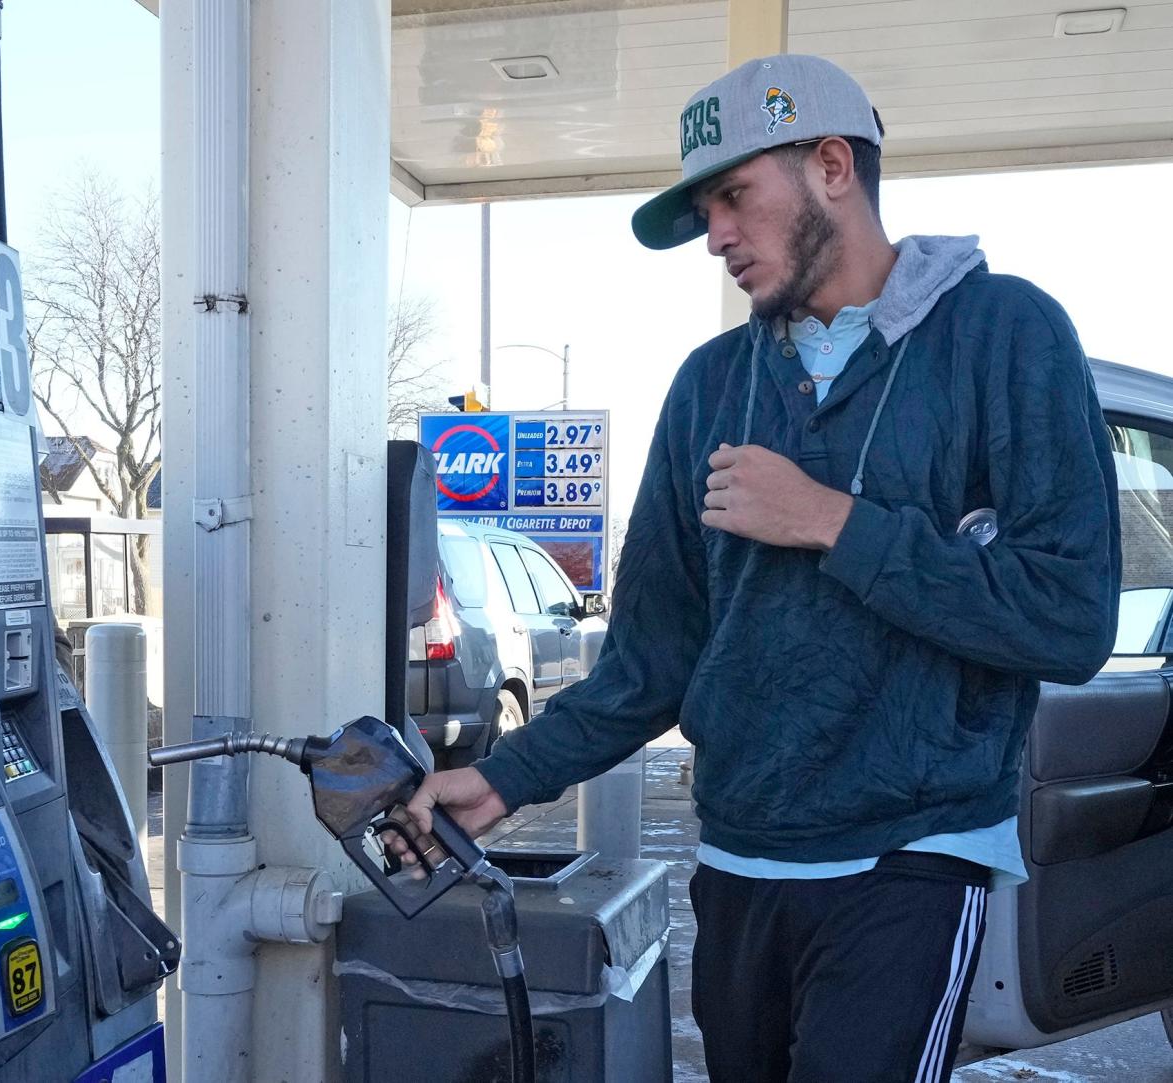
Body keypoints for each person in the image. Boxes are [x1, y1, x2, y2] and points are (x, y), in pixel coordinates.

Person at [387, 54, 1121, 1082]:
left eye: (734, 196)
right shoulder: (709, 385)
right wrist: (505, 778)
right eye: (705, 210)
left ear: (832, 166)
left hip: (909, 857)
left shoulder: (1005, 335)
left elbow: (1071, 618)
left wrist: (832, 521)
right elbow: (654, 657)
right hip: (735, 862)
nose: (717, 236)